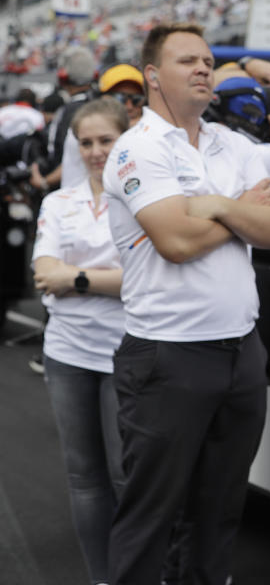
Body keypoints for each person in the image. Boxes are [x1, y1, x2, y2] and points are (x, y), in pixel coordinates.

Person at [101, 22, 270, 585]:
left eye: (208, 60)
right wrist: (239, 210)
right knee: (149, 518)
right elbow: (177, 243)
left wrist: (209, 206)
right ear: (153, 76)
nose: (205, 68)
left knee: (219, 512)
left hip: (241, 354)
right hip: (167, 357)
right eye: (189, 60)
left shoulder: (231, 144)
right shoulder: (135, 150)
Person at [32, 97, 129, 585]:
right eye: (86, 142)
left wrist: (75, 278)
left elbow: (141, 280)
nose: (95, 151)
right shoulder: (58, 201)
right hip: (66, 353)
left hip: (125, 353)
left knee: (125, 479)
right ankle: (101, 578)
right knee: (84, 481)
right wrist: (99, 278)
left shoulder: (142, 201)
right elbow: (43, 272)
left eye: (105, 140)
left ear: (124, 139)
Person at [33, 46, 97, 192]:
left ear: (63, 76)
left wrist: (44, 182)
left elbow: (71, 158)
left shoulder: (70, 112)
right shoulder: (98, 105)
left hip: (71, 193)